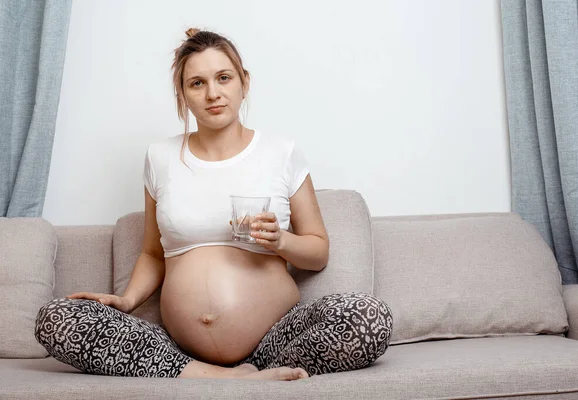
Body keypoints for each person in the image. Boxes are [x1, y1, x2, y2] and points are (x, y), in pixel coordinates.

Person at [34, 28, 393, 381]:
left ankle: (249, 368)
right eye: (197, 83)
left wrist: (280, 240)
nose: (213, 94)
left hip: (276, 340)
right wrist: (127, 301)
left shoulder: (282, 153)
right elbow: (153, 253)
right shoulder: (160, 157)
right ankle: (225, 377)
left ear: (244, 82)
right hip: (176, 350)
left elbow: (318, 251)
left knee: (369, 316)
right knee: (57, 317)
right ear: (183, 94)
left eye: (224, 78)